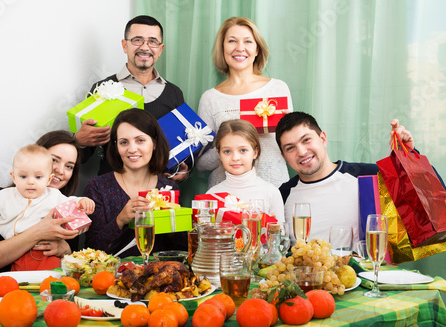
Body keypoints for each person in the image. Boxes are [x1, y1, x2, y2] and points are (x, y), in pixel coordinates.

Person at [275, 111, 421, 245]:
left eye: (306, 140)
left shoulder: (367, 176)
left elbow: (428, 205)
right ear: (284, 156)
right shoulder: (281, 194)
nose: (301, 152)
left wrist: (408, 159)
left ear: (323, 139)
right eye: (290, 148)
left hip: (364, 272)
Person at [75, 15, 188, 181]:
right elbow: (82, 156)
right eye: (137, 40)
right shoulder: (102, 89)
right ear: (124, 45)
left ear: (161, 48)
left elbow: (183, 146)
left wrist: (184, 171)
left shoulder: (174, 93)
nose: (145, 47)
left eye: (152, 41)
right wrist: (79, 141)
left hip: (158, 193)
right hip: (111, 189)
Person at [196, 17, 294, 189]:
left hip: (275, 189)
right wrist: (229, 146)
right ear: (222, 48)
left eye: (248, 41)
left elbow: (290, 149)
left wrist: (291, 131)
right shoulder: (210, 98)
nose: (239, 48)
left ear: (257, 49)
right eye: (232, 41)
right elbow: (201, 164)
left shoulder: (278, 89)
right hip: (226, 196)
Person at [0, 131, 86, 277]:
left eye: (69, 166)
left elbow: (71, 268)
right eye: (54, 160)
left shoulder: (66, 206)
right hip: (5, 287)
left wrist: (65, 250)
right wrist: (39, 231)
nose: (60, 170)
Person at [83, 109, 188, 257]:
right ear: (116, 146)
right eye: (124, 142)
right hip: (111, 276)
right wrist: (120, 220)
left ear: (155, 143)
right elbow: (90, 250)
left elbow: (182, 251)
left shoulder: (168, 189)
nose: (132, 149)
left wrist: (171, 227)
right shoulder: (98, 187)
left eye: (140, 140)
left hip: (159, 275)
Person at [207, 119, 285, 223]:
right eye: (227, 151)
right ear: (219, 154)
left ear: (255, 152)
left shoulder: (271, 193)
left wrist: (269, 229)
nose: (235, 158)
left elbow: (280, 235)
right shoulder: (212, 195)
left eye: (243, 150)